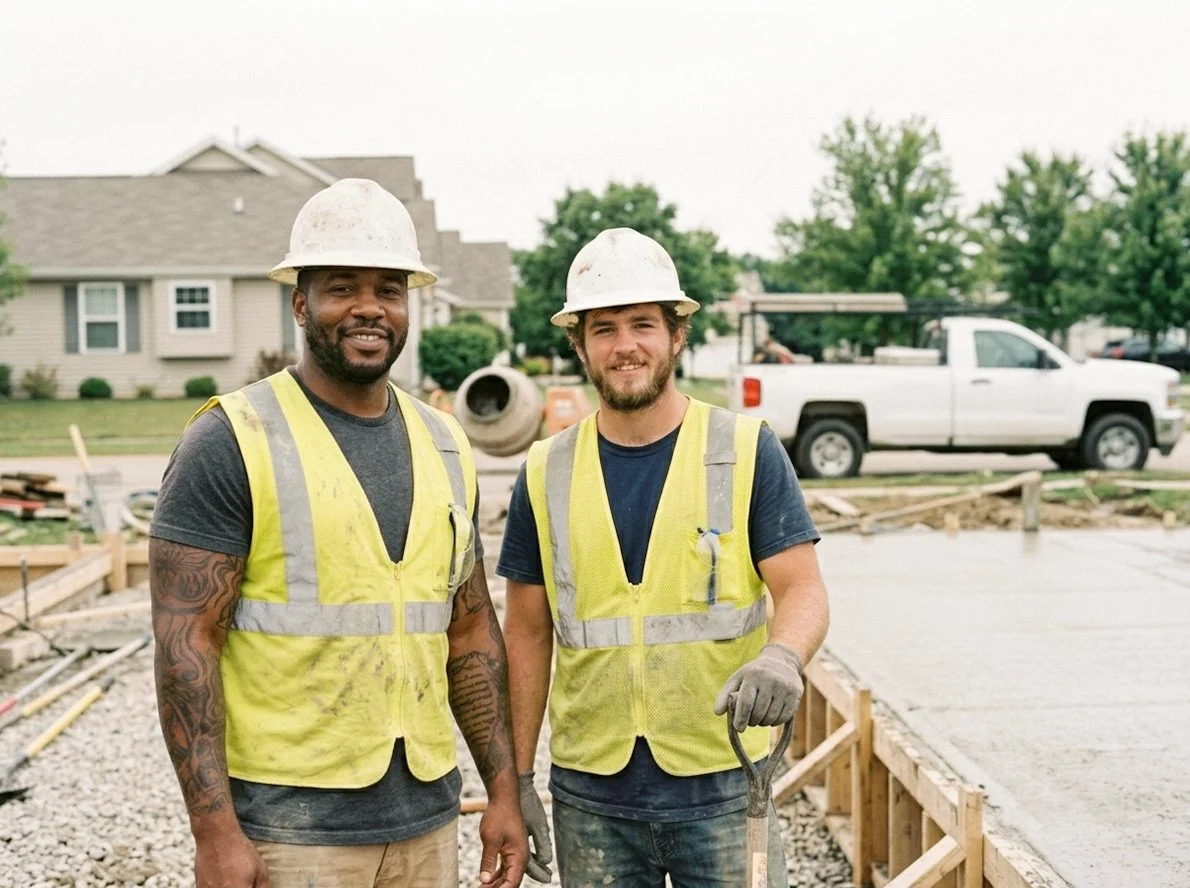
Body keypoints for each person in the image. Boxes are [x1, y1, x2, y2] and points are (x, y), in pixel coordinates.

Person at [149, 178, 528, 888]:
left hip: (427, 819)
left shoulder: (444, 443)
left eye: (388, 288)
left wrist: (502, 792)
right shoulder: (232, 439)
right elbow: (183, 645)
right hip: (290, 836)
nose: (368, 308)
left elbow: (471, 632)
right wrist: (214, 833)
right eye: (342, 287)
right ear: (301, 302)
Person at [499, 228, 830, 887]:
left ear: (676, 334)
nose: (626, 346)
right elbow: (528, 633)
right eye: (604, 329)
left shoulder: (744, 449)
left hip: (724, 782)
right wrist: (515, 780)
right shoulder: (545, 471)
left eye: (643, 324)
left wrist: (782, 654)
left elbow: (804, 590)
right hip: (593, 795)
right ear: (580, 345)